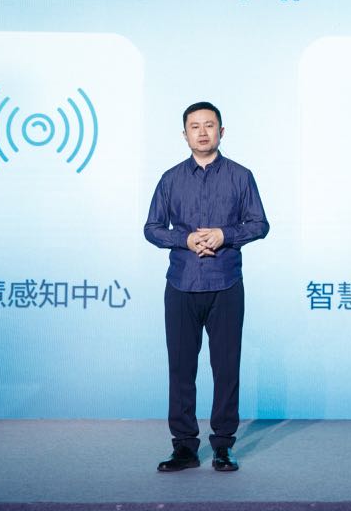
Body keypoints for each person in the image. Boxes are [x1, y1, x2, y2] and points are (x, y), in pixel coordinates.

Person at [143, 101, 269, 473]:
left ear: (221, 131)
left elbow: (259, 224)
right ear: (184, 135)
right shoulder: (170, 179)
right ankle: (184, 447)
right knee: (181, 369)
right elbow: (152, 228)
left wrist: (224, 235)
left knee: (226, 368)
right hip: (181, 284)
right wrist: (184, 240)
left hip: (225, 284)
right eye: (194, 126)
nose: (202, 132)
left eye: (209, 125)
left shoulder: (241, 176)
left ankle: (223, 446)